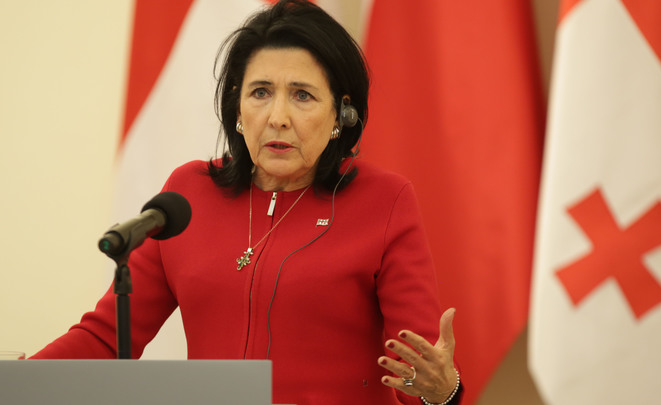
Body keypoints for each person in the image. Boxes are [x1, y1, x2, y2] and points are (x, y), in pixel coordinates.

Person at [31, 1, 462, 404]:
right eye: (260, 92)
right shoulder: (189, 194)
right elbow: (106, 339)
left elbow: (416, 372)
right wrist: (17, 380)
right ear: (237, 108)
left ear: (341, 113)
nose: (277, 117)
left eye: (302, 95)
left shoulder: (384, 201)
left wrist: (442, 391)